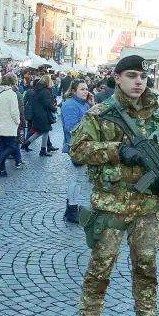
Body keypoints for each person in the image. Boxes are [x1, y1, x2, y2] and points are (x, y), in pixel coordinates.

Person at [69, 55, 159, 316]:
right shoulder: (101, 114)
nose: (138, 82)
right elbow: (78, 150)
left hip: (147, 209)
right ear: (118, 78)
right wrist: (117, 150)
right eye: (132, 76)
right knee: (99, 270)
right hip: (111, 207)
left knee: (146, 270)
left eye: (143, 77)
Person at [61, 79, 94, 223]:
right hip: (76, 146)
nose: (86, 91)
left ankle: (71, 207)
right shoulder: (69, 105)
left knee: (78, 179)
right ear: (73, 91)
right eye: (82, 89)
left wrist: (92, 106)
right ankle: (72, 209)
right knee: (76, 179)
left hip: (84, 145)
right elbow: (72, 127)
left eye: (87, 89)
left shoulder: (84, 104)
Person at [0, 73, 20, 176]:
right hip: (9, 126)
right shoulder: (12, 94)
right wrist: (17, 122)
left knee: (1, 147)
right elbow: (14, 112)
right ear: (11, 83)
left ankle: (3, 171)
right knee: (12, 145)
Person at [22, 74, 57, 157]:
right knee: (45, 131)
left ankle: (26, 144)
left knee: (40, 131)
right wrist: (54, 109)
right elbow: (47, 104)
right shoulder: (45, 91)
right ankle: (43, 150)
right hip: (43, 114)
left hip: (37, 113)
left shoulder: (36, 90)